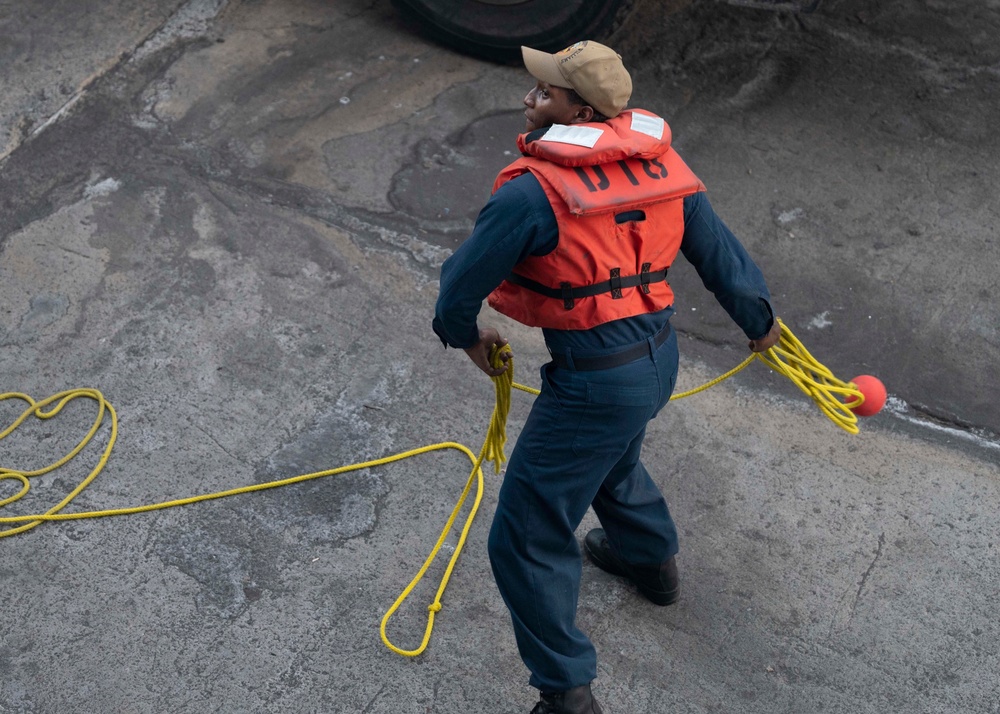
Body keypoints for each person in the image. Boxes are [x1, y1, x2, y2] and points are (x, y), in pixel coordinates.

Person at [432, 40, 781, 714]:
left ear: (581, 110)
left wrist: (465, 335)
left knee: (525, 534)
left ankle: (565, 692)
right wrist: (760, 323)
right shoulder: (663, 165)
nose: (530, 97)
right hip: (656, 359)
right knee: (610, 460)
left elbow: (458, 288)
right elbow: (721, 256)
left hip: (595, 381)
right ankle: (650, 561)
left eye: (545, 92)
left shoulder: (533, 194)